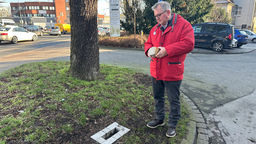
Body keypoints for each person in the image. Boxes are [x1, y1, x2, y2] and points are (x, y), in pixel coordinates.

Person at [144, 1, 194, 138]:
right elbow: (148, 43)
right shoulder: (155, 28)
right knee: (158, 97)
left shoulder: (184, 25)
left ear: (168, 12)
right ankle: (159, 119)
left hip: (172, 71)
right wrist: (148, 50)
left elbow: (189, 44)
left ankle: (173, 124)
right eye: (155, 16)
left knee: (174, 100)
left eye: (159, 15)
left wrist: (167, 50)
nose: (157, 19)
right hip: (156, 70)